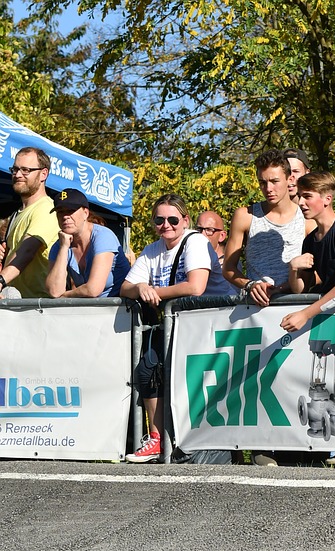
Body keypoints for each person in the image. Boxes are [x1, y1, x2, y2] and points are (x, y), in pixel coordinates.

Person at [120, 193, 232, 463]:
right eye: (159, 220)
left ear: (185, 220)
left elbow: (196, 286)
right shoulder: (151, 250)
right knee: (147, 370)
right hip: (177, 324)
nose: (166, 225)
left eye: (172, 219)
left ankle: (199, 441)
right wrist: (140, 287)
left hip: (212, 323)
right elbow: (125, 287)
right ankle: (157, 440)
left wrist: (153, 291)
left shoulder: (194, 241)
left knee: (188, 380)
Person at [280, 171, 335, 334]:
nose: (300, 202)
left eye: (307, 196)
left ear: (327, 199)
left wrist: (305, 314)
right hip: (328, 320)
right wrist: (293, 269)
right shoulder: (309, 240)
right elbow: (300, 290)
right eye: (299, 196)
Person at [222, 149, 310, 306]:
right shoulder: (245, 216)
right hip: (254, 310)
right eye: (262, 183)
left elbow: (319, 271)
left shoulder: (308, 219)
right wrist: (250, 285)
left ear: (290, 179)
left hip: (296, 305)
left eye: (274, 181)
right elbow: (228, 269)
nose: (268, 189)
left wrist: (285, 288)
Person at [44, 188, 131, 298]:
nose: (65, 216)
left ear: (85, 213)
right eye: (60, 212)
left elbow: (93, 290)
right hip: (91, 310)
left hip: (122, 309)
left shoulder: (103, 236)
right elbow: (54, 291)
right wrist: (64, 248)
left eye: (70, 211)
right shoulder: (59, 246)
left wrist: (64, 296)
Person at [0, 146, 58, 299]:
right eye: (15, 169)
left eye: (26, 170)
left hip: (37, 309)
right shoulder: (16, 214)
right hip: (16, 305)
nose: (18, 175)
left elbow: (26, 251)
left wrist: (0, 280)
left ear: (43, 174)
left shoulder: (47, 208)